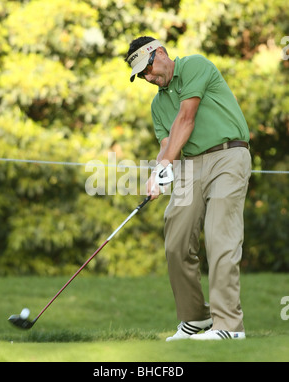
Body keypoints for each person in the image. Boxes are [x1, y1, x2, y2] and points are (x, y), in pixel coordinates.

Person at [125, 36, 251, 341]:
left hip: (228, 156)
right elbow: (167, 144)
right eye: (142, 75)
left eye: (149, 68)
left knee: (220, 238)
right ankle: (195, 319)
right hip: (190, 165)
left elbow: (186, 117)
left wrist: (166, 164)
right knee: (176, 241)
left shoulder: (195, 65)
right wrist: (158, 172)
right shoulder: (157, 104)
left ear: (162, 53)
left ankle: (228, 327)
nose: (148, 77)